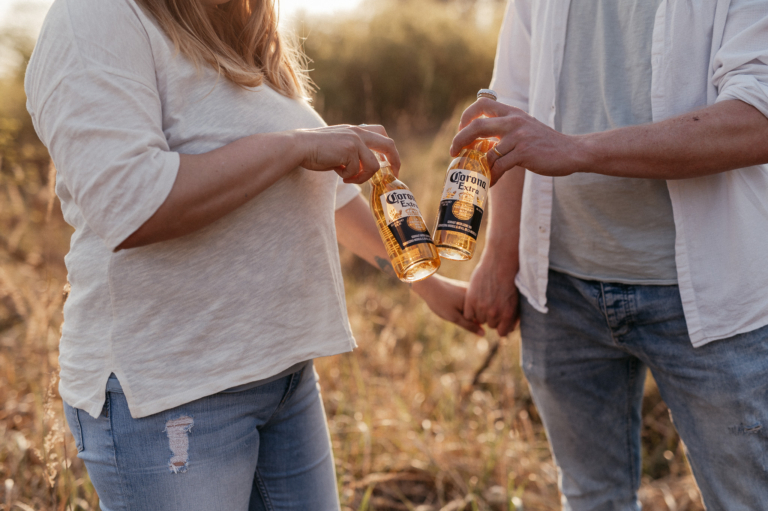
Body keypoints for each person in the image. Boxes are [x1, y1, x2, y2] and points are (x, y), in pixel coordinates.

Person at [24, 0, 477, 509]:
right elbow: (132, 204)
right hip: (172, 396)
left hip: (283, 377)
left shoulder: (242, 32)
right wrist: (293, 146)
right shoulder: (96, 17)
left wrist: (429, 285)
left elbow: (330, 193)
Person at [456, 0, 768, 509]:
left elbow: (757, 118)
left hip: (712, 302)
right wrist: (499, 255)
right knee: (591, 498)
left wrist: (576, 149)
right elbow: (507, 112)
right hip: (560, 296)